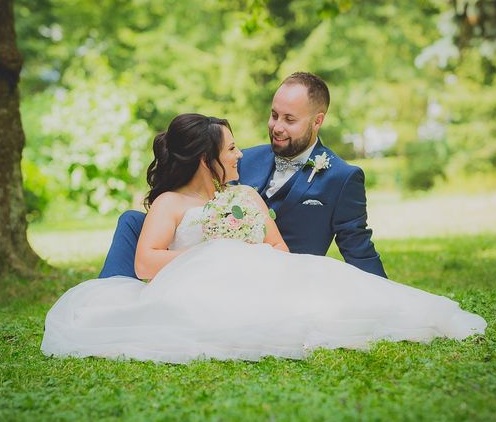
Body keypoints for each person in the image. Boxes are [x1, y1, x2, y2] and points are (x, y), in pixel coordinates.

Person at [41, 113, 486, 363]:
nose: (241, 154)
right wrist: (212, 257)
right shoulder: (170, 205)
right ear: (205, 158)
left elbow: (280, 250)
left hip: (261, 282)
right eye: (231, 148)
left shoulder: (247, 196)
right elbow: (144, 265)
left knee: (332, 293)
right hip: (199, 293)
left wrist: (249, 254)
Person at [99, 72, 387, 280]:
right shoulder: (243, 158)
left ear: (317, 121)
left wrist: (379, 290)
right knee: (133, 221)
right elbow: (196, 193)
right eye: (274, 115)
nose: (276, 127)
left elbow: (358, 248)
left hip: (280, 270)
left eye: (289, 120)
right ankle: (111, 293)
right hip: (210, 251)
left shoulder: (342, 177)